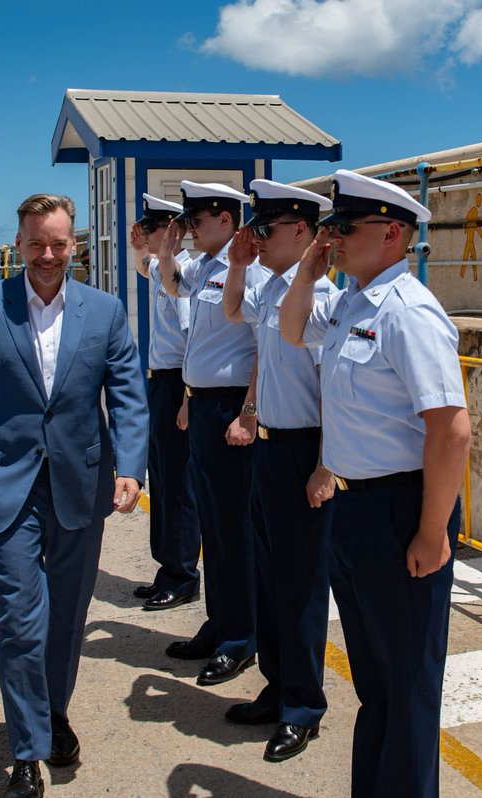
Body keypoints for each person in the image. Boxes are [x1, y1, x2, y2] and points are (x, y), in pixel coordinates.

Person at [0, 194, 148, 798]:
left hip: (81, 483)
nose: (48, 255)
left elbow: (128, 395)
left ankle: (52, 711)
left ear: (73, 244)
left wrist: (131, 466)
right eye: (36, 244)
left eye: (58, 243)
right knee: (19, 618)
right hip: (6, 483)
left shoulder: (104, 311)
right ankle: (26, 750)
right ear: (18, 244)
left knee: (67, 616)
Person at [280, 169, 471, 797]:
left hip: (401, 509)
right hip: (354, 509)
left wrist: (432, 532)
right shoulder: (350, 302)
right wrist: (307, 270)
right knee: (377, 682)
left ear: (392, 234)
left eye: (344, 227)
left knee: (408, 683)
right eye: (330, 227)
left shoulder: (409, 312)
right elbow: (290, 330)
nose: (332, 237)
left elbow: (451, 429)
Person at [221, 179, 338, 762]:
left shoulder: (322, 299)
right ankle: (277, 685)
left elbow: (335, 391)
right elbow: (231, 309)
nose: (257, 237)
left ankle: (303, 706)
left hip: (303, 450)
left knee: (300, 585)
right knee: (268, 577)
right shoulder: (271, 288)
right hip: (268, 447)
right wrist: (239, 265)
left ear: (300, 231)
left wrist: (325, 466)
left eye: (264, 229)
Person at [157, 180, 262, 687]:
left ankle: (241, 638)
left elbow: (265, 349)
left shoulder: (250, 269)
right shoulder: (202, 268)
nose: (190, 230)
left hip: (231, 409)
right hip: (202, 405)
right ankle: (219, 624)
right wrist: (166, 251)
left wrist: (249, 412)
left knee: (235, 530)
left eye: (195, 221)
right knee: (213, 528)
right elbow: (174, 285)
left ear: (225, 219)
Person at [128, 193, 200, 611]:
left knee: (178, 484)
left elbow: (192, 341)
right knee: (161, 477)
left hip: (177, 385)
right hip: (160, 383)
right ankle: (167, 568)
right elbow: (145, 267)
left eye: (149, 228)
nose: (143, 233)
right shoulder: (161, 268)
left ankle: (183, 574)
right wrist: (140, 249)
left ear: (170, 230)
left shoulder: (183, 276)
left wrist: (187, 399)